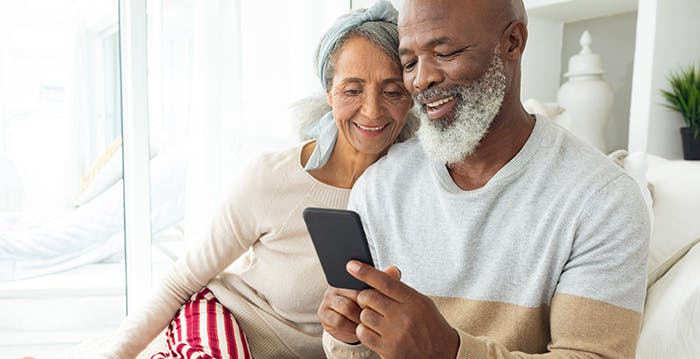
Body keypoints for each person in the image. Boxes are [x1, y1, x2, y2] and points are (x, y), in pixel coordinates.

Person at [318, 0, 650, 358]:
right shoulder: (380, 186)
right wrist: (349, 335)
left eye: (445, 52)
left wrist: (448, 350)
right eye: (409, 63)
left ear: (512, 42)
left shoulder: (602, 199)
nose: (422, 78)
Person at [99, 2, 416, 358]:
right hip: (225, 319)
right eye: (352, 90)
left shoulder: (411, 193)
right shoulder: (273, 177)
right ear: (328, 94)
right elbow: (180, 281)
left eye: (392, 91)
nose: (372, 110)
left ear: (411, 95)